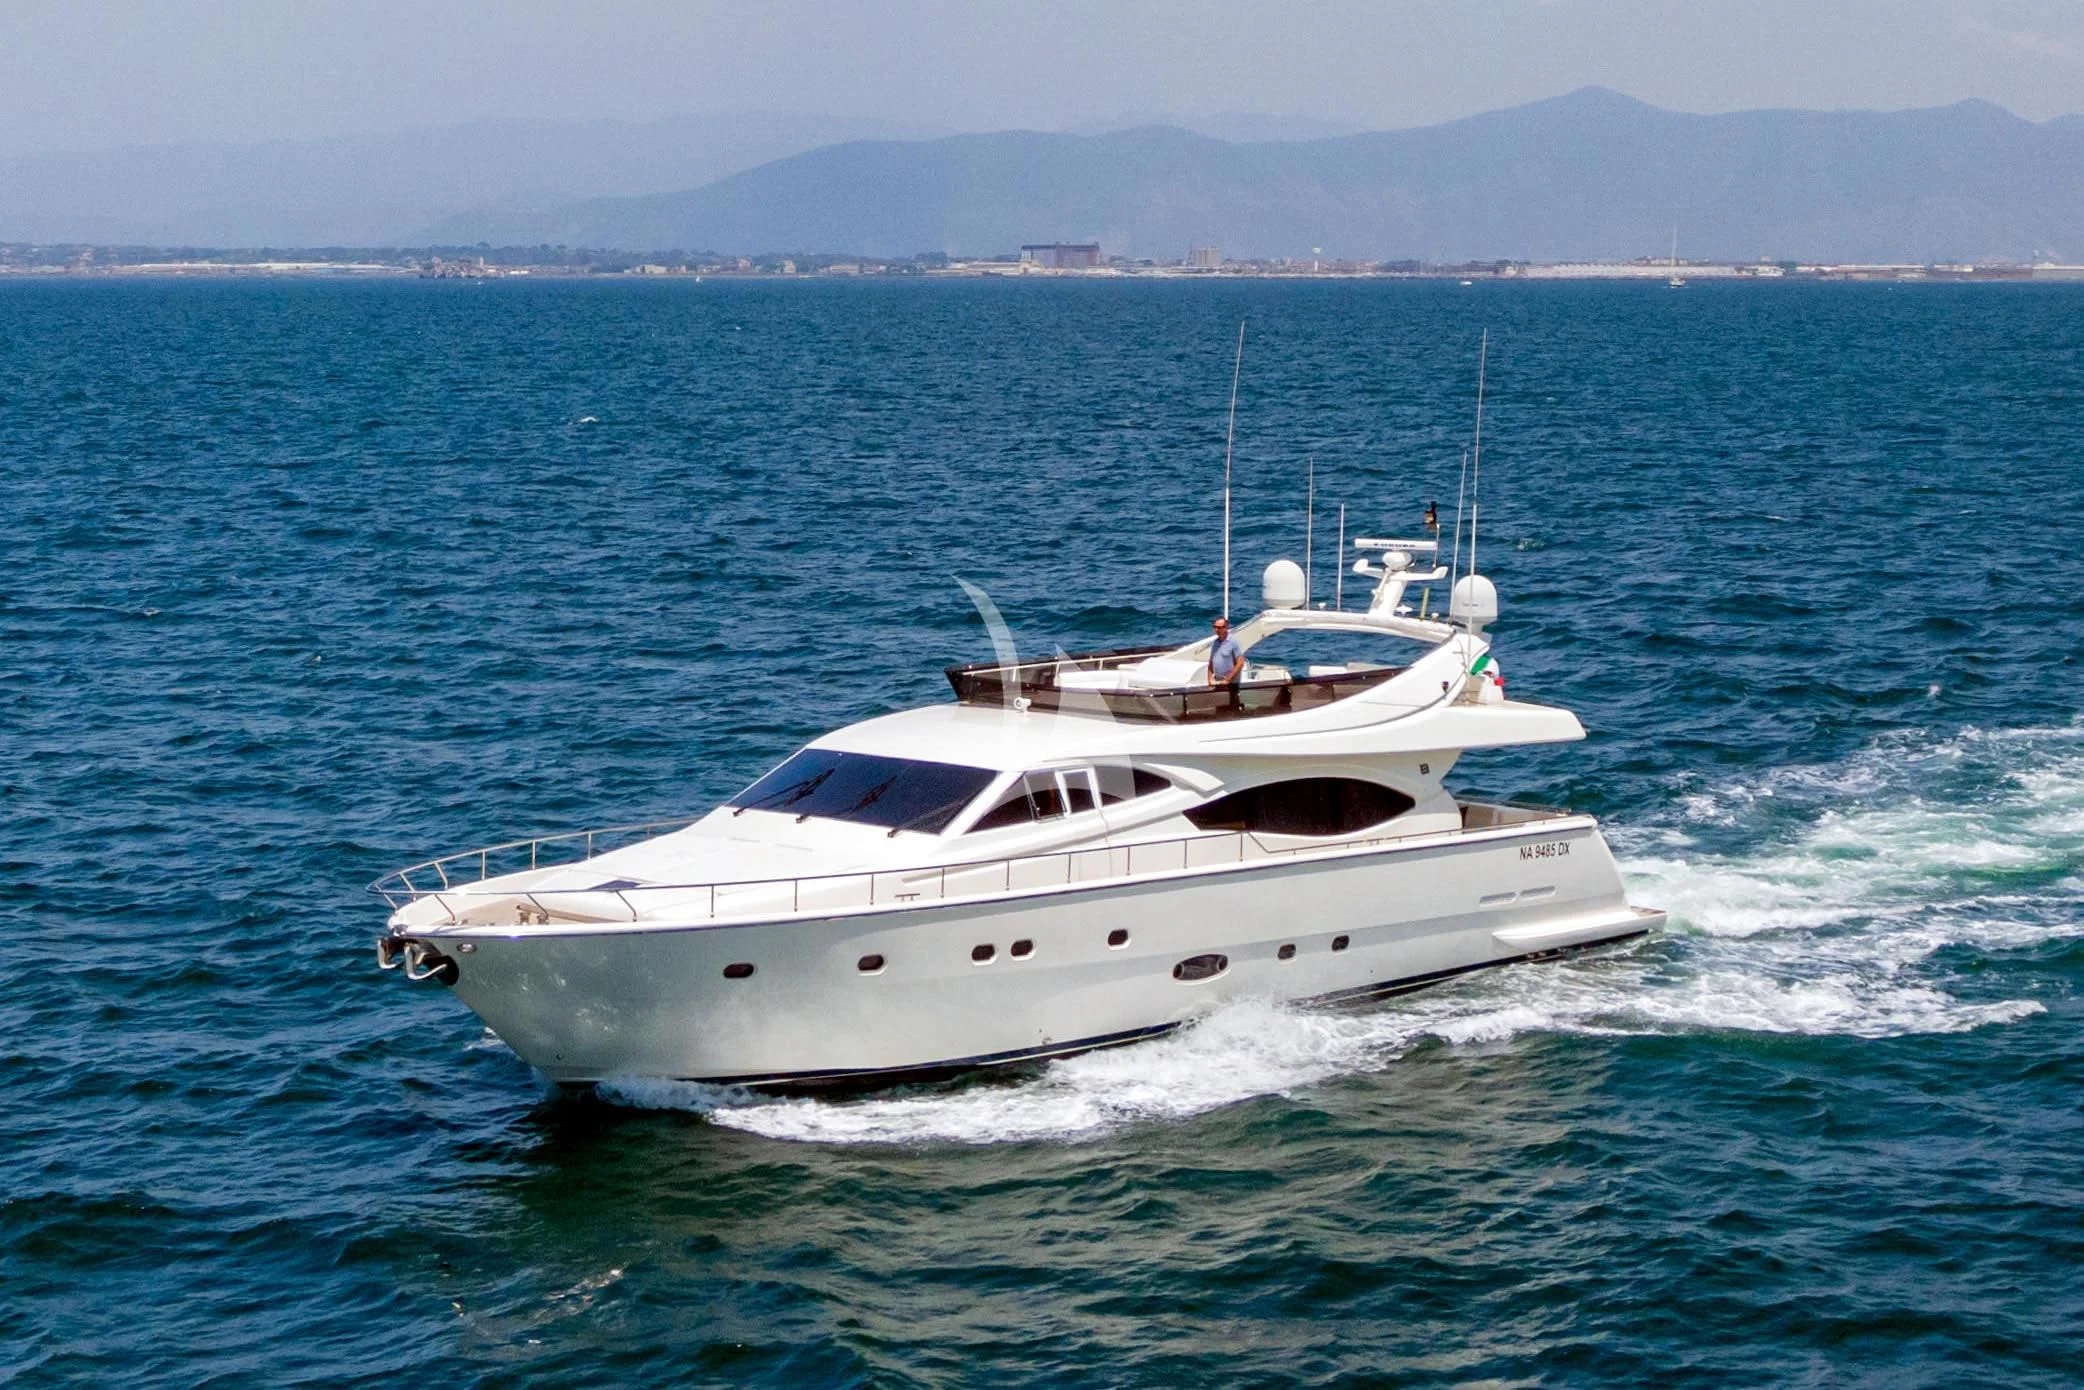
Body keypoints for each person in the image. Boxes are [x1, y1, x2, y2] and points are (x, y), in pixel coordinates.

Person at [1206, 616, 1243, 686]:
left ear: (1226, 627)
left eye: (1219, 627)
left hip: (1231, 683)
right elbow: (1211, 663)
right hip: (1217, 682)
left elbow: (1240, 663)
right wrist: (1210, 679)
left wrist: (1227, 679)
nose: (1217, 629)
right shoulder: (1215, 643)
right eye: (1215, 627)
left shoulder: (1233, 642)